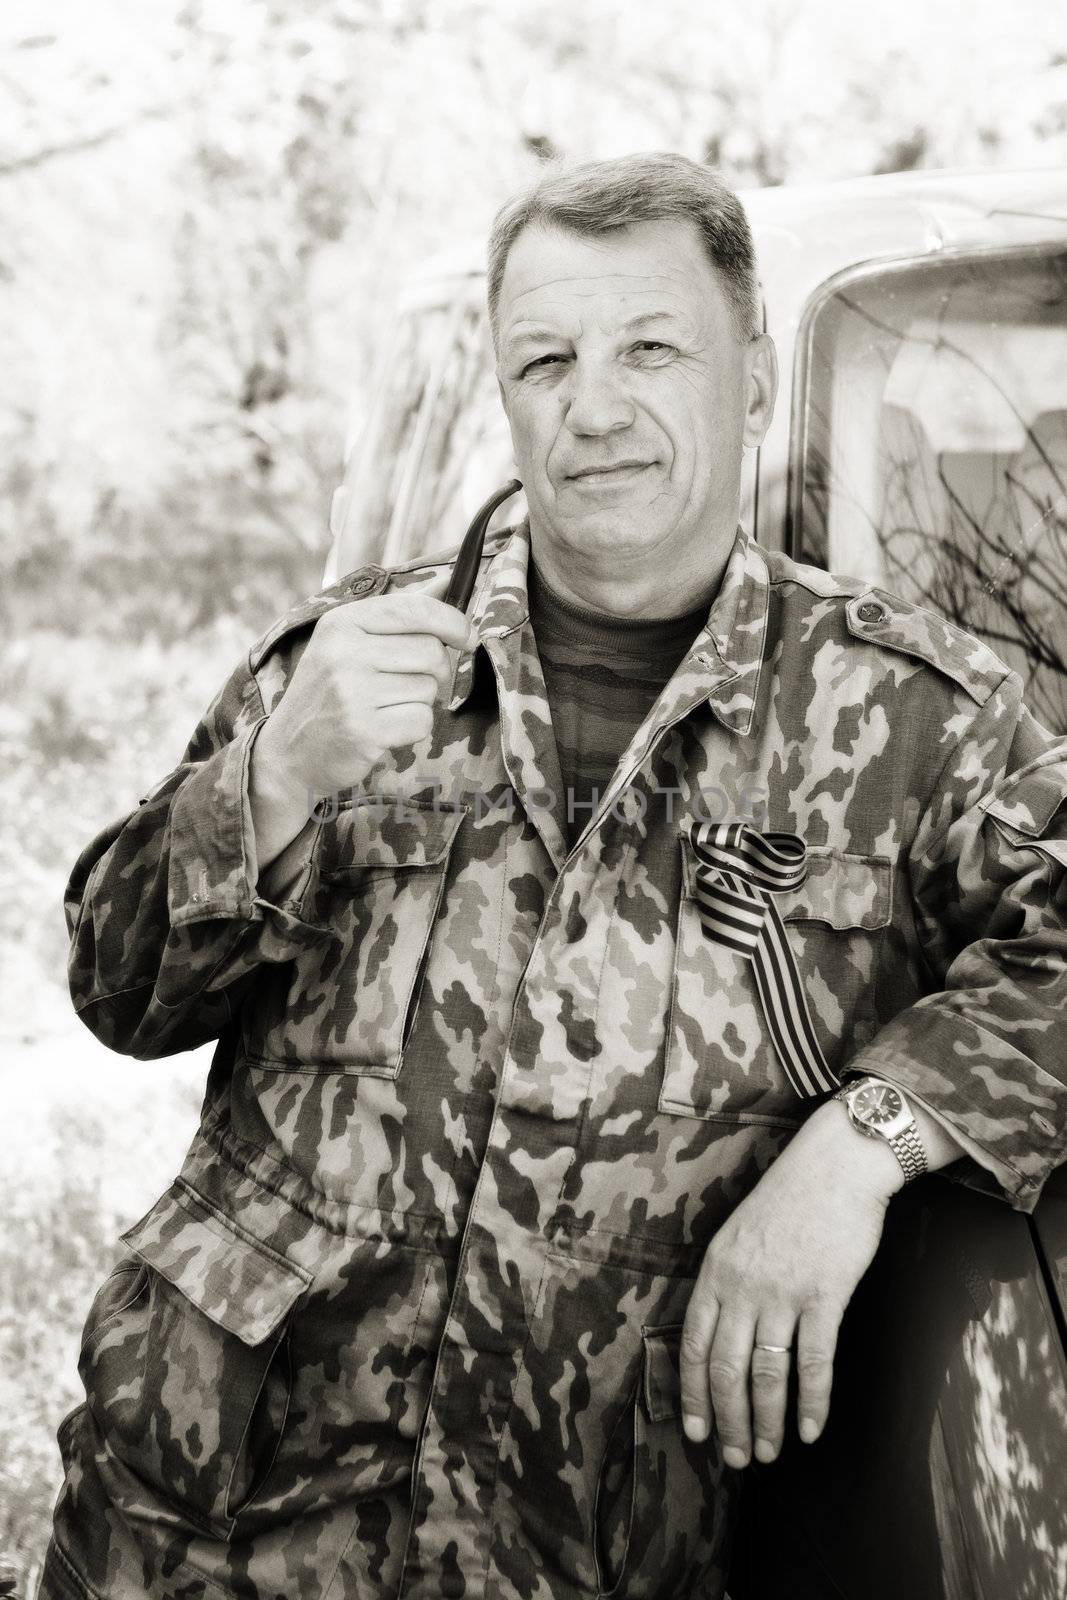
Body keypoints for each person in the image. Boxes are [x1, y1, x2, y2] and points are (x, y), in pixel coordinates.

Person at [40, 153, 1067, 1600]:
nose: (594, 407)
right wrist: (272, 775)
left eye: (652, 348)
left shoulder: (916, 717)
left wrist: (864, 1144)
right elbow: (114, 985)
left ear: (752, 376)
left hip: (579, 1548)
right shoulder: (344, 660)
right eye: (548, 359)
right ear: (506, 391)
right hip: (203, 1536)